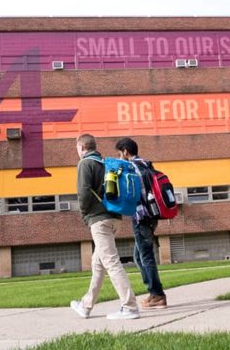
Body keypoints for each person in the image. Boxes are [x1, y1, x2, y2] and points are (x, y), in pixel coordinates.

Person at [70, 134, 140, 320]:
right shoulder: (104, 163)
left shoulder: (85, 164)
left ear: (82, 147)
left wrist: (85, 215)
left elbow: (83, 193)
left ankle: (130, 306)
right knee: (98, 263)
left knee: (111, 262)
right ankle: (86, 305)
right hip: (114, 218)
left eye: (77, 148)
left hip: (99, 220)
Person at [115, 137, 167, 309]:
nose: (119, 156)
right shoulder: (147, 164)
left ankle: (157, 295)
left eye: (119, 153)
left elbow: (130, 194)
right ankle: (153, 292)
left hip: (141, 217)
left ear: (125, 151)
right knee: (139, 256)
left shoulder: (131, 167)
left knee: (146, 256)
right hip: (152, 215)